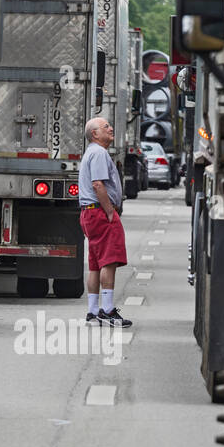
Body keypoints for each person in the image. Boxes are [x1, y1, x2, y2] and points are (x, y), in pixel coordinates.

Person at [77, 117, 133, 326]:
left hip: (89, 213)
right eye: (105, 127)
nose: (110, 128)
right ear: (94, 134)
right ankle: (107, 310)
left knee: (95, 263)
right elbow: (98, 184)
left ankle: (92, 312)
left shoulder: (92, 152)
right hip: (100, 212)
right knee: (109, 261)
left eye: (110, 125)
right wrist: (110, 211)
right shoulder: (99, 153)